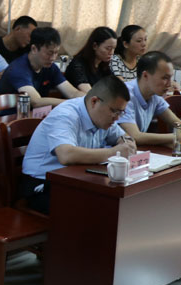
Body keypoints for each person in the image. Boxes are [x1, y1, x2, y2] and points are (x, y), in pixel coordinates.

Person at [20, 75, 136, 213]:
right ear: (94, 102)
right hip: (42, 184)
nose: (117, 118)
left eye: (121, 112)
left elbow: (123, 137)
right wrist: (115, 152)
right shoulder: (66, 115)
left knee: (119, 202)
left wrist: (127, 144)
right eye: (114, 111)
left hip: (74, 179)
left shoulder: (103, 116)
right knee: (98, 208)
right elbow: (66, 155)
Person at [0, 27, 83, 110]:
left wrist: (89, 99)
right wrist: (70, 103)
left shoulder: (50, 67)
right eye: (49, 53)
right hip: (9, 119)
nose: (53, 58)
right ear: (34, 49)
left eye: (56, 53)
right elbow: (36, 102)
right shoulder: (18, 69)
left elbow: (73, 93)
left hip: (33, 116)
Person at [117, 51, 181, 147]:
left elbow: (178, 124)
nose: (169, 84)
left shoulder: (155, 96)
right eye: (164, 78)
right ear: (145, 75)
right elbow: (135, 136)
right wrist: (178, 136)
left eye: (170, 78)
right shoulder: (125, 95)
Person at [65, 26, 117, 93]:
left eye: (114, 49)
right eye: (108, 48)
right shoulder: (78, 64)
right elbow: (89, 93)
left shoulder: (105, 65)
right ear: (95, 46)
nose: (111, 53)